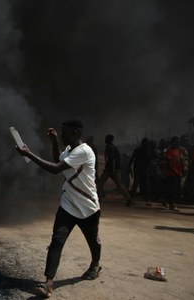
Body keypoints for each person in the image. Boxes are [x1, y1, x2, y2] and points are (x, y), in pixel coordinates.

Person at [16, 120, 101, 298]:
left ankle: (95, 264)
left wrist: (29, 154)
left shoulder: (84, 151)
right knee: (57, 241)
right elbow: (58, 160)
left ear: (76, 132)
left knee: (93, 240)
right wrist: (54, 142)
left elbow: (55, 169)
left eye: (65, 133)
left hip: (88, 207)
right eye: (61, 133)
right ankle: (49, 280)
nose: (62, 135)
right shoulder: (70, 151)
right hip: (68, 204)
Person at [96, 134, 133, 206]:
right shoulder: (114, 147)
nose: (105, 140)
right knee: (119, 184)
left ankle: (99, 200)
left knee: (100, 184)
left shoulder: (109, 148)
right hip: (113, 169)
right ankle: (128, 199)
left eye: (106, 139)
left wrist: (111, 169)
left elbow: (111, 159)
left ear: (108, 140)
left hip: (109, 170)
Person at [164, 136, 184, 211]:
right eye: (176, 142)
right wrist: (175, 171)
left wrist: (181, 171)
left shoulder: (178, 150)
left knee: (175, 189)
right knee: (172, 189)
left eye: (178, 142)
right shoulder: (169, 151)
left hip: (177, 173)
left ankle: (166, 200)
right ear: (172, 142)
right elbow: (169, 163)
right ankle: (172, 204)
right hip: (171, 173)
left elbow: (180, 161)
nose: (177, 143)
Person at [128, 138, 150, 204]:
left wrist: (129, 167)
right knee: (139, 183)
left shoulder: (141, 150)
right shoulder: (143, 150)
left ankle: (132, 198)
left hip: (141, 168)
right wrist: (129, 167)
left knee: (141, 183)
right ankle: (131, 198)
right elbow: (132, 159)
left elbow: (132, 159)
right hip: (139, 168)